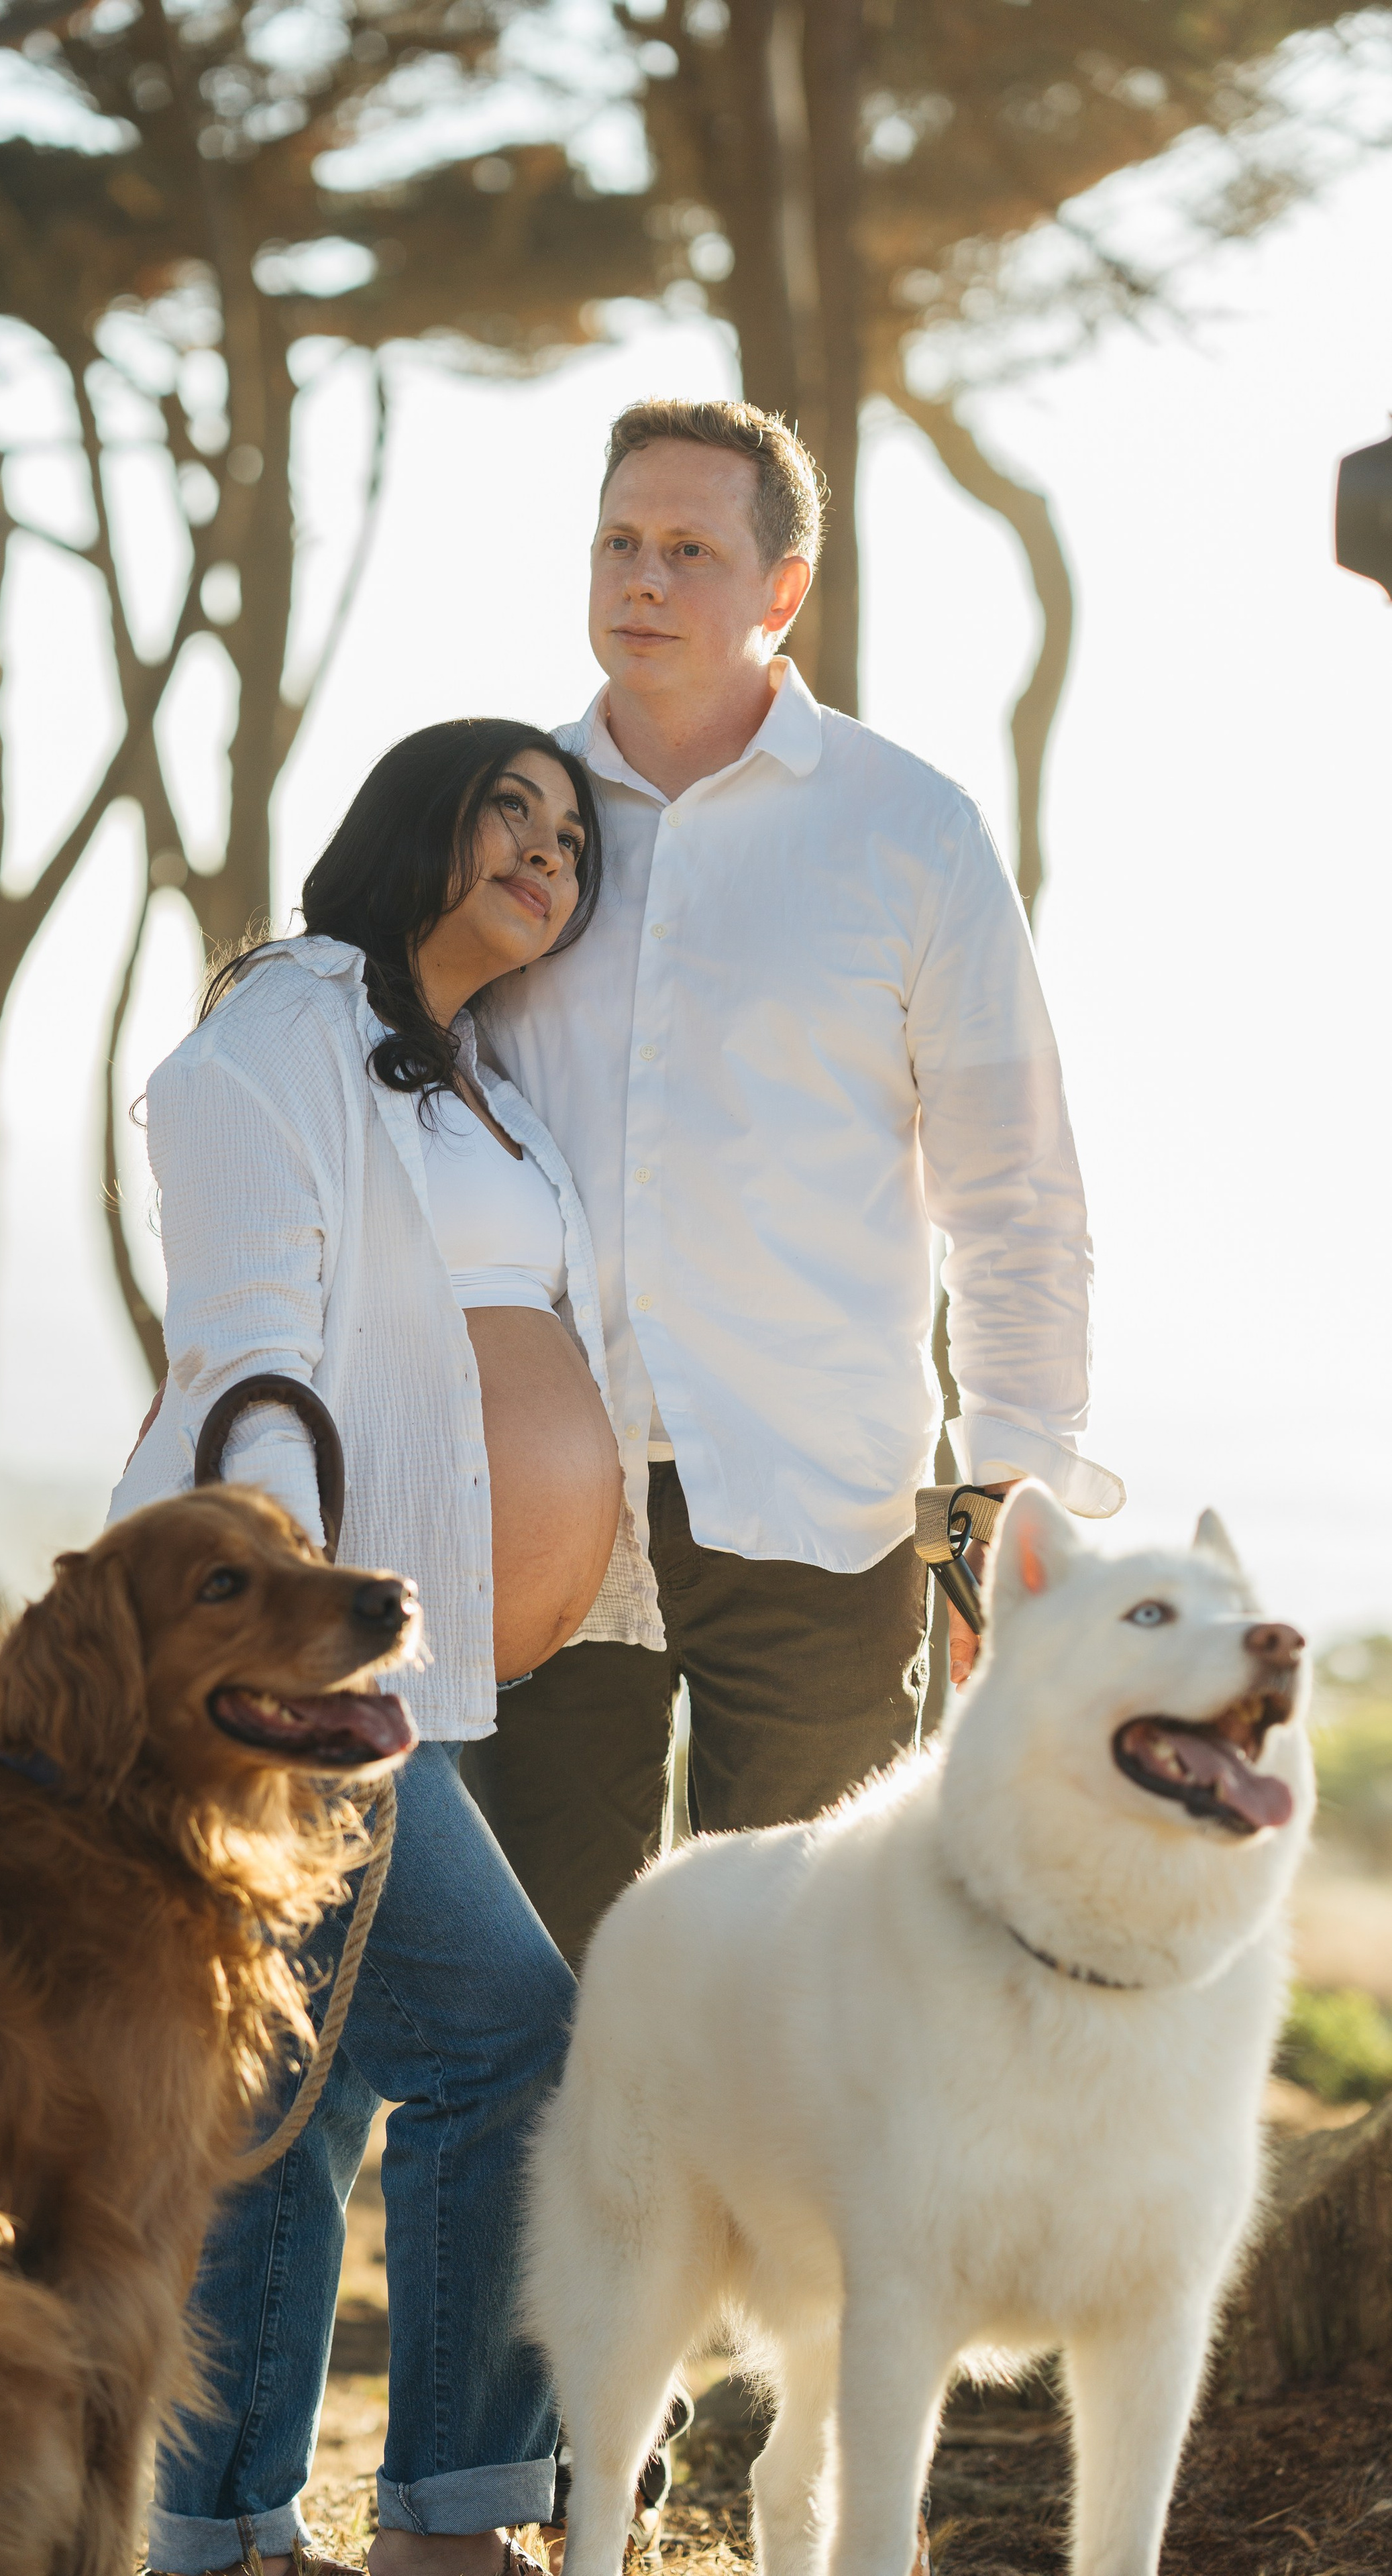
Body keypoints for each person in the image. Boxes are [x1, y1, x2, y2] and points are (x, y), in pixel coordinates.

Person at [464, 396, 1124, 1972]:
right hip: (544, 1501)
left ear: (781, 588)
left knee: (801, 2002)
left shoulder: (908, 832)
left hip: (822, 1513)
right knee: (543, 2005)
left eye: (687, 550)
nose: (640, 579)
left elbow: (1014, 1191)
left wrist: (1008, 1488)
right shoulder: (495, 824)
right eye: (618, 542)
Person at [110, 718, 660, 2576]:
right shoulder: (287, 1027)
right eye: (509, 808)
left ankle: (219, 2529)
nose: (547, 850)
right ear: (412, 821)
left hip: (416, 1673)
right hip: (299, 1674)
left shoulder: (468, 1074)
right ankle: (450, 2519)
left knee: (300, 2081)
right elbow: (250, 1348)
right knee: (515, 2040)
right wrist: (282, 1653)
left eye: (572, 837)